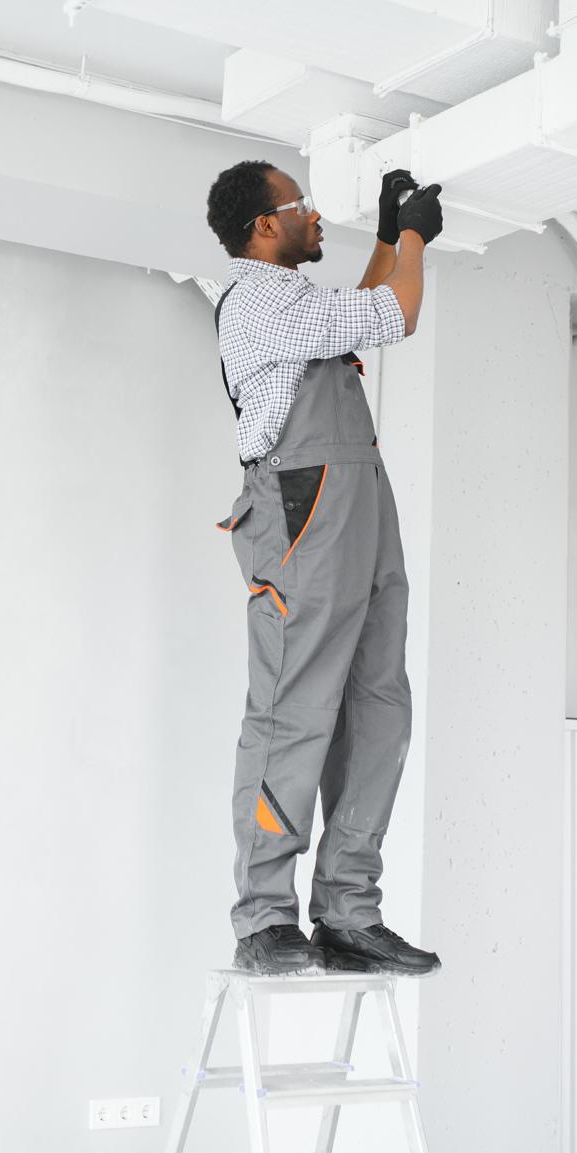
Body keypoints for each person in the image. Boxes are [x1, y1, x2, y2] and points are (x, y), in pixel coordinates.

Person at [203, 160, 445, 977]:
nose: (315, 218)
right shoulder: (260, 299)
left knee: (379, 705)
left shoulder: (297, 304)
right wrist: (412, 237)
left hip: (357, 507)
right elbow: (395, 313)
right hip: (303, 513)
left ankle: (348, 909)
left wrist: (387, 238)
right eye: (301, 205)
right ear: (264, 227)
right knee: (291, 710)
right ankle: (265, 917)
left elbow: (363, 313)